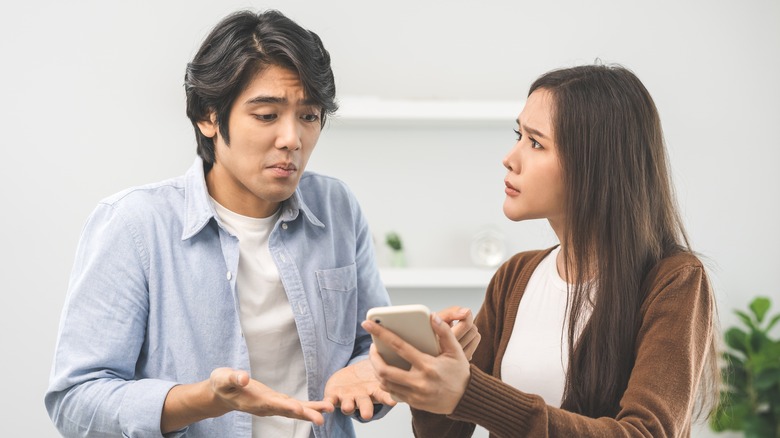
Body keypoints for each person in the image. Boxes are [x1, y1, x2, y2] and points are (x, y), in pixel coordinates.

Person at [46, 9, 409, 438]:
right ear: (209, 117)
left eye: (309, 116)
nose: (292, 138)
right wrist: (202, 401)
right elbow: (75, 399)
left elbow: (370, 348)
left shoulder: (337, 208)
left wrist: (370, 373)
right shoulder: (134, 225)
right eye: (267, 115)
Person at [363, 64, 719, 437]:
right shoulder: (515, 276)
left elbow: (647, 432)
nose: (510, 158)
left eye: (535, 143)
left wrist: (468, 390)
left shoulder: (674, 281)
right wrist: (433, 380)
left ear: (594, 165)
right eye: (519, 135)